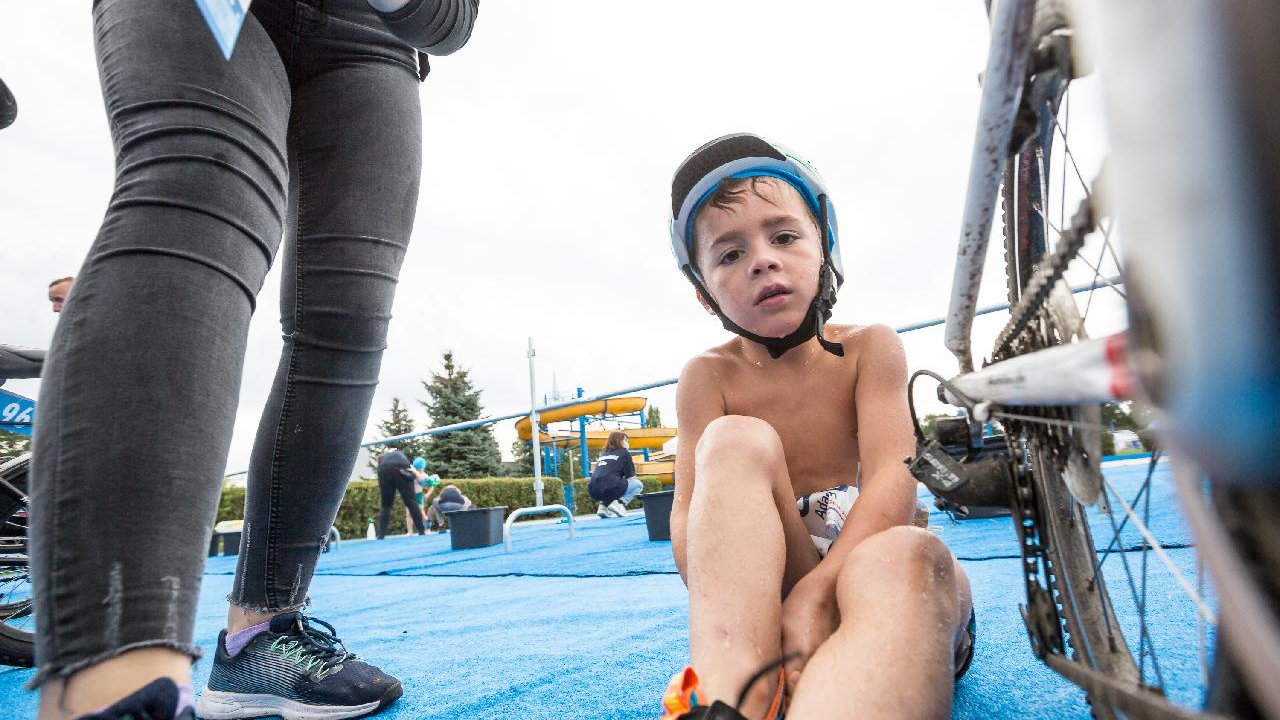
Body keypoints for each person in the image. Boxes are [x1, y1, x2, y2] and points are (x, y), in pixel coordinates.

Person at [27, 2, 479, 719]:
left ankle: (260, 636)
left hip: (368, 40)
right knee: (203, 188)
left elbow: (450, 22)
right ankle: (115, 677)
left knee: (351, 313)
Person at [658, 134, 975, 720]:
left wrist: (819, 593)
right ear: (705, 295)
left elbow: (891, 477)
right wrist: (766, 609)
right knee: (732, 442)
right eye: (729, 255)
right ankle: (732, 694)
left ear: (824, 247)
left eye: (783, 236)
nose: (762, 259)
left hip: (868, 569)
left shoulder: (869, 349)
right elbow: (688, 516)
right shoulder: (706, 378)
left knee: (908, 554)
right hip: (773, 587)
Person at [588, 430, 643, 518]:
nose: (627, 443)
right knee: (637, 484)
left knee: (612, 484)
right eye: (625, 440)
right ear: (619, 441)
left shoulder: (603, 454)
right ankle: (619, 504)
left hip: (593, 489)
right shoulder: (624, 453)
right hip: (610, 486)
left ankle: (603, 507)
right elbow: (631, 477)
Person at [376, 448, 427, 539]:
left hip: (383, 470)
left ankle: (381, 535)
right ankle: (421, 531)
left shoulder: (384, 460)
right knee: (411, 502)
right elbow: (413, 474)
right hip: (401, 467)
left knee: (386, 505)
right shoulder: (400, 456)